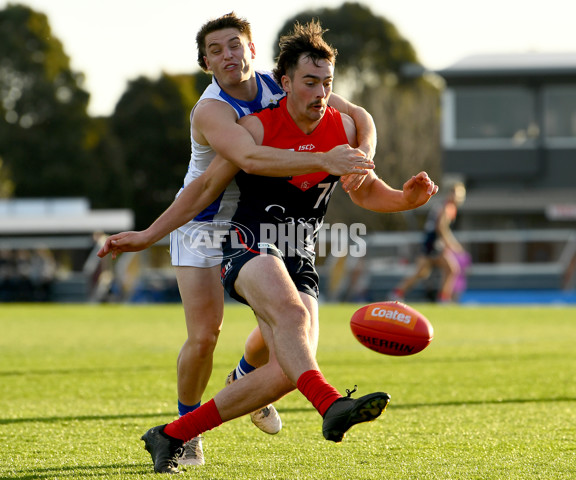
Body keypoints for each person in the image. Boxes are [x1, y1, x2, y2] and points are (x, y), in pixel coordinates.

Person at [136, 20, 438, 474]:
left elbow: (361, 156)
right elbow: (211, 185)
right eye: (310, 82)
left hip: (298, 249)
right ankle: (328, 403)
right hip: (232, 234)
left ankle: (174, 433)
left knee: (287, 369)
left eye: (326, 83)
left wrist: (402, 197)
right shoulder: (238, 121)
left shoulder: (324, 113)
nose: (319, 92)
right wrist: (145, 236)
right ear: (286, 84)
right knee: (217, 333)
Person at [97, 12, 377, 466]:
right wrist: (149, 235)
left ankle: (243, 378)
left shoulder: (283, 83)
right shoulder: (211, 110)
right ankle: (187, 430)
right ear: (206, 63)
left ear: (251, 49)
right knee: (205, 334)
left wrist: (362, 155)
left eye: (234, 45)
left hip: (258, 224)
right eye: (215, 50)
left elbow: (359, 114)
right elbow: (246, 158)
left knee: (283, 336)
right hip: (202, 222)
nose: (227, 55)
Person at [391, 182, 467, 302]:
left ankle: (397, 292)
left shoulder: (446, 207)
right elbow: (441, 228)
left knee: (422, 272)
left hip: (431, 244)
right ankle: (443, 299)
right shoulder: (446, 207)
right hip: (433, 245)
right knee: (452, 270)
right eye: (456, 194)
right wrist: (453, 245)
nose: (457, 197)